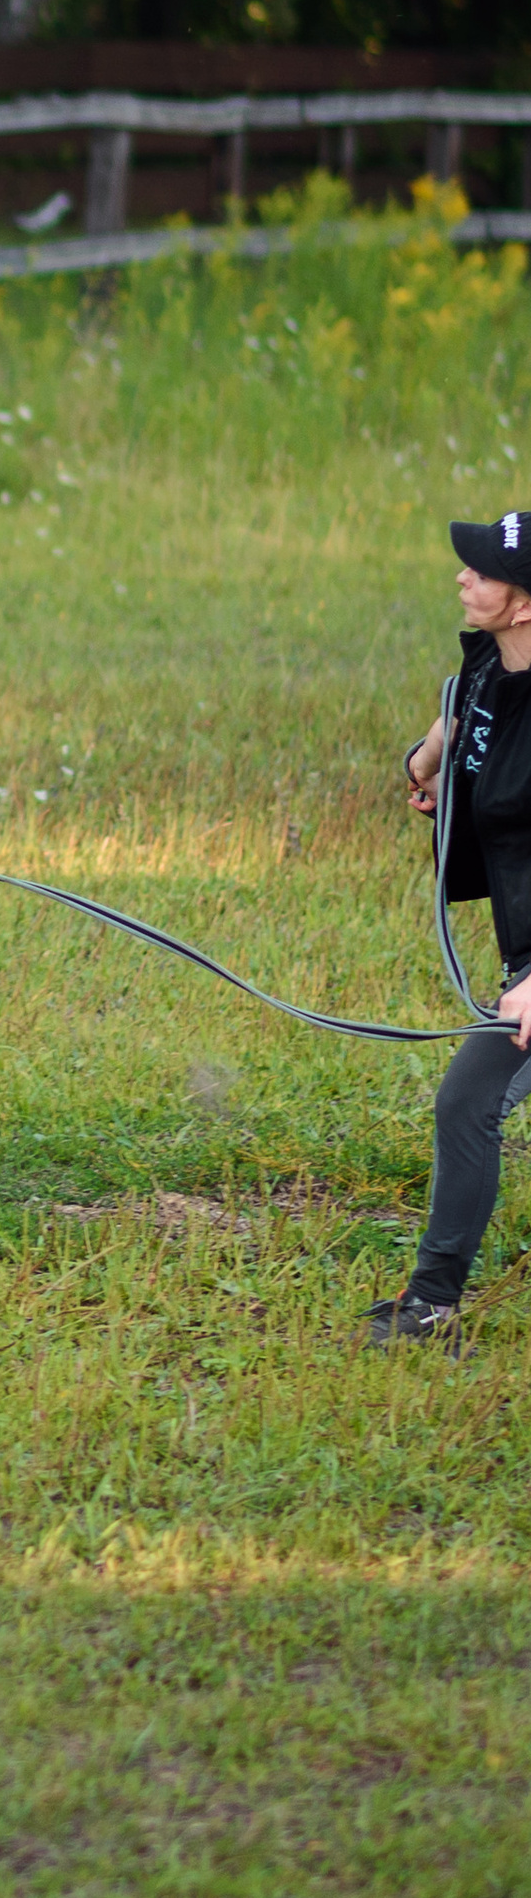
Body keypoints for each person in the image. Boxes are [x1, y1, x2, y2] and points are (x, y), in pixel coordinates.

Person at [375, 513, 531, 1346]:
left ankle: (430, 1305)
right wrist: (425, 762)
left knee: (467, 1101)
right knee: (470, 1103)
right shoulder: (489, 663)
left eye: (482, 572)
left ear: (526, 606)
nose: (462, 579)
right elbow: (461, 706)